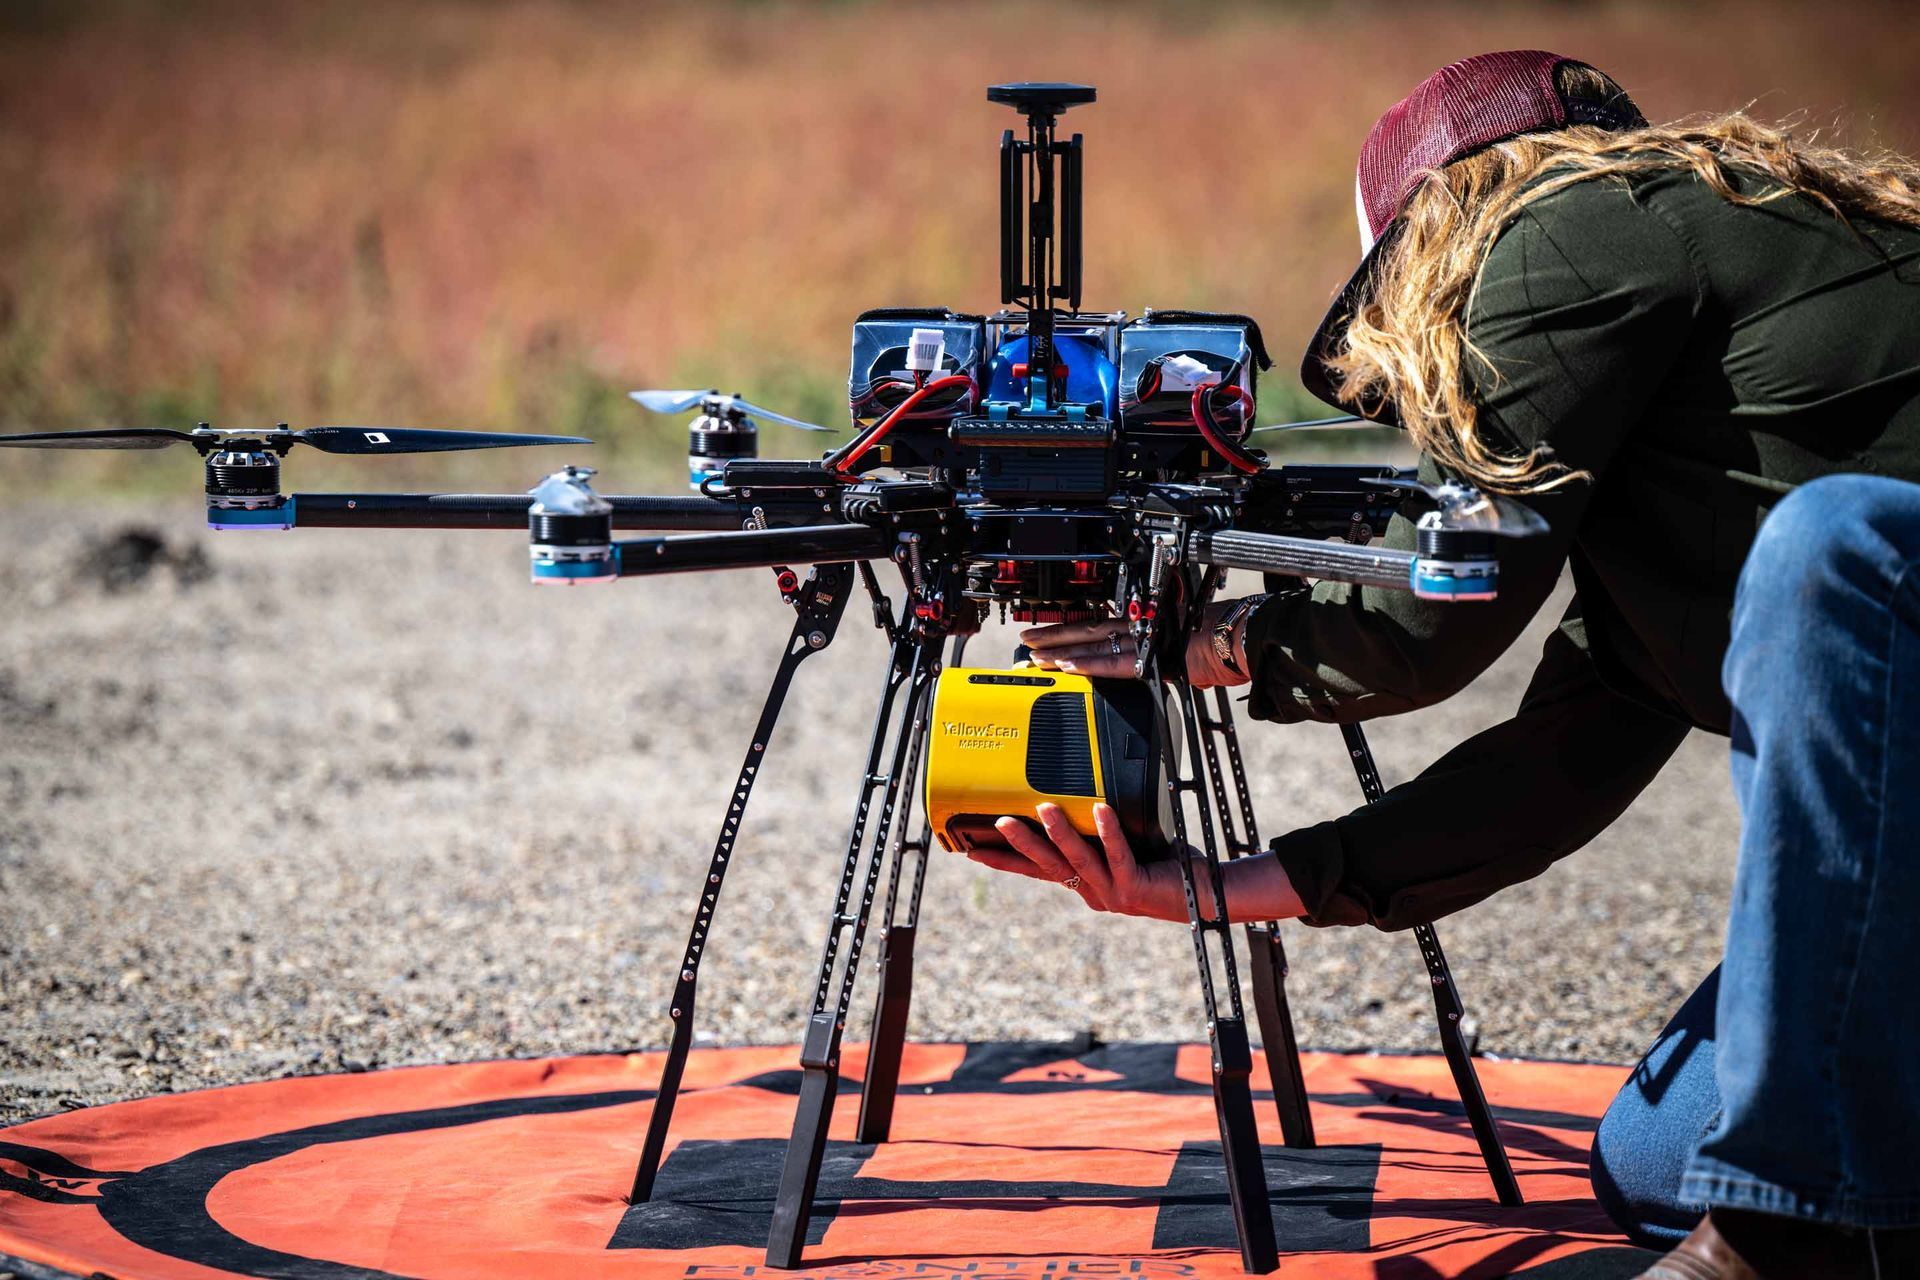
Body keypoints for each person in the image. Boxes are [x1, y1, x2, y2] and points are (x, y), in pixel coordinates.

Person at [964, 51, 1920, 1280]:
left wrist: (1215, 640)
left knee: (1826, 548)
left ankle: (1781, 1239)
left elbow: (1432, 624)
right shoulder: (1682, 497)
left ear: (1435, 236)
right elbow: (1548, 773)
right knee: (1663, 1157)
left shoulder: (1571, 220)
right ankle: (1807, 1202)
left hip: (1857, 575)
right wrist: (1209, 885)